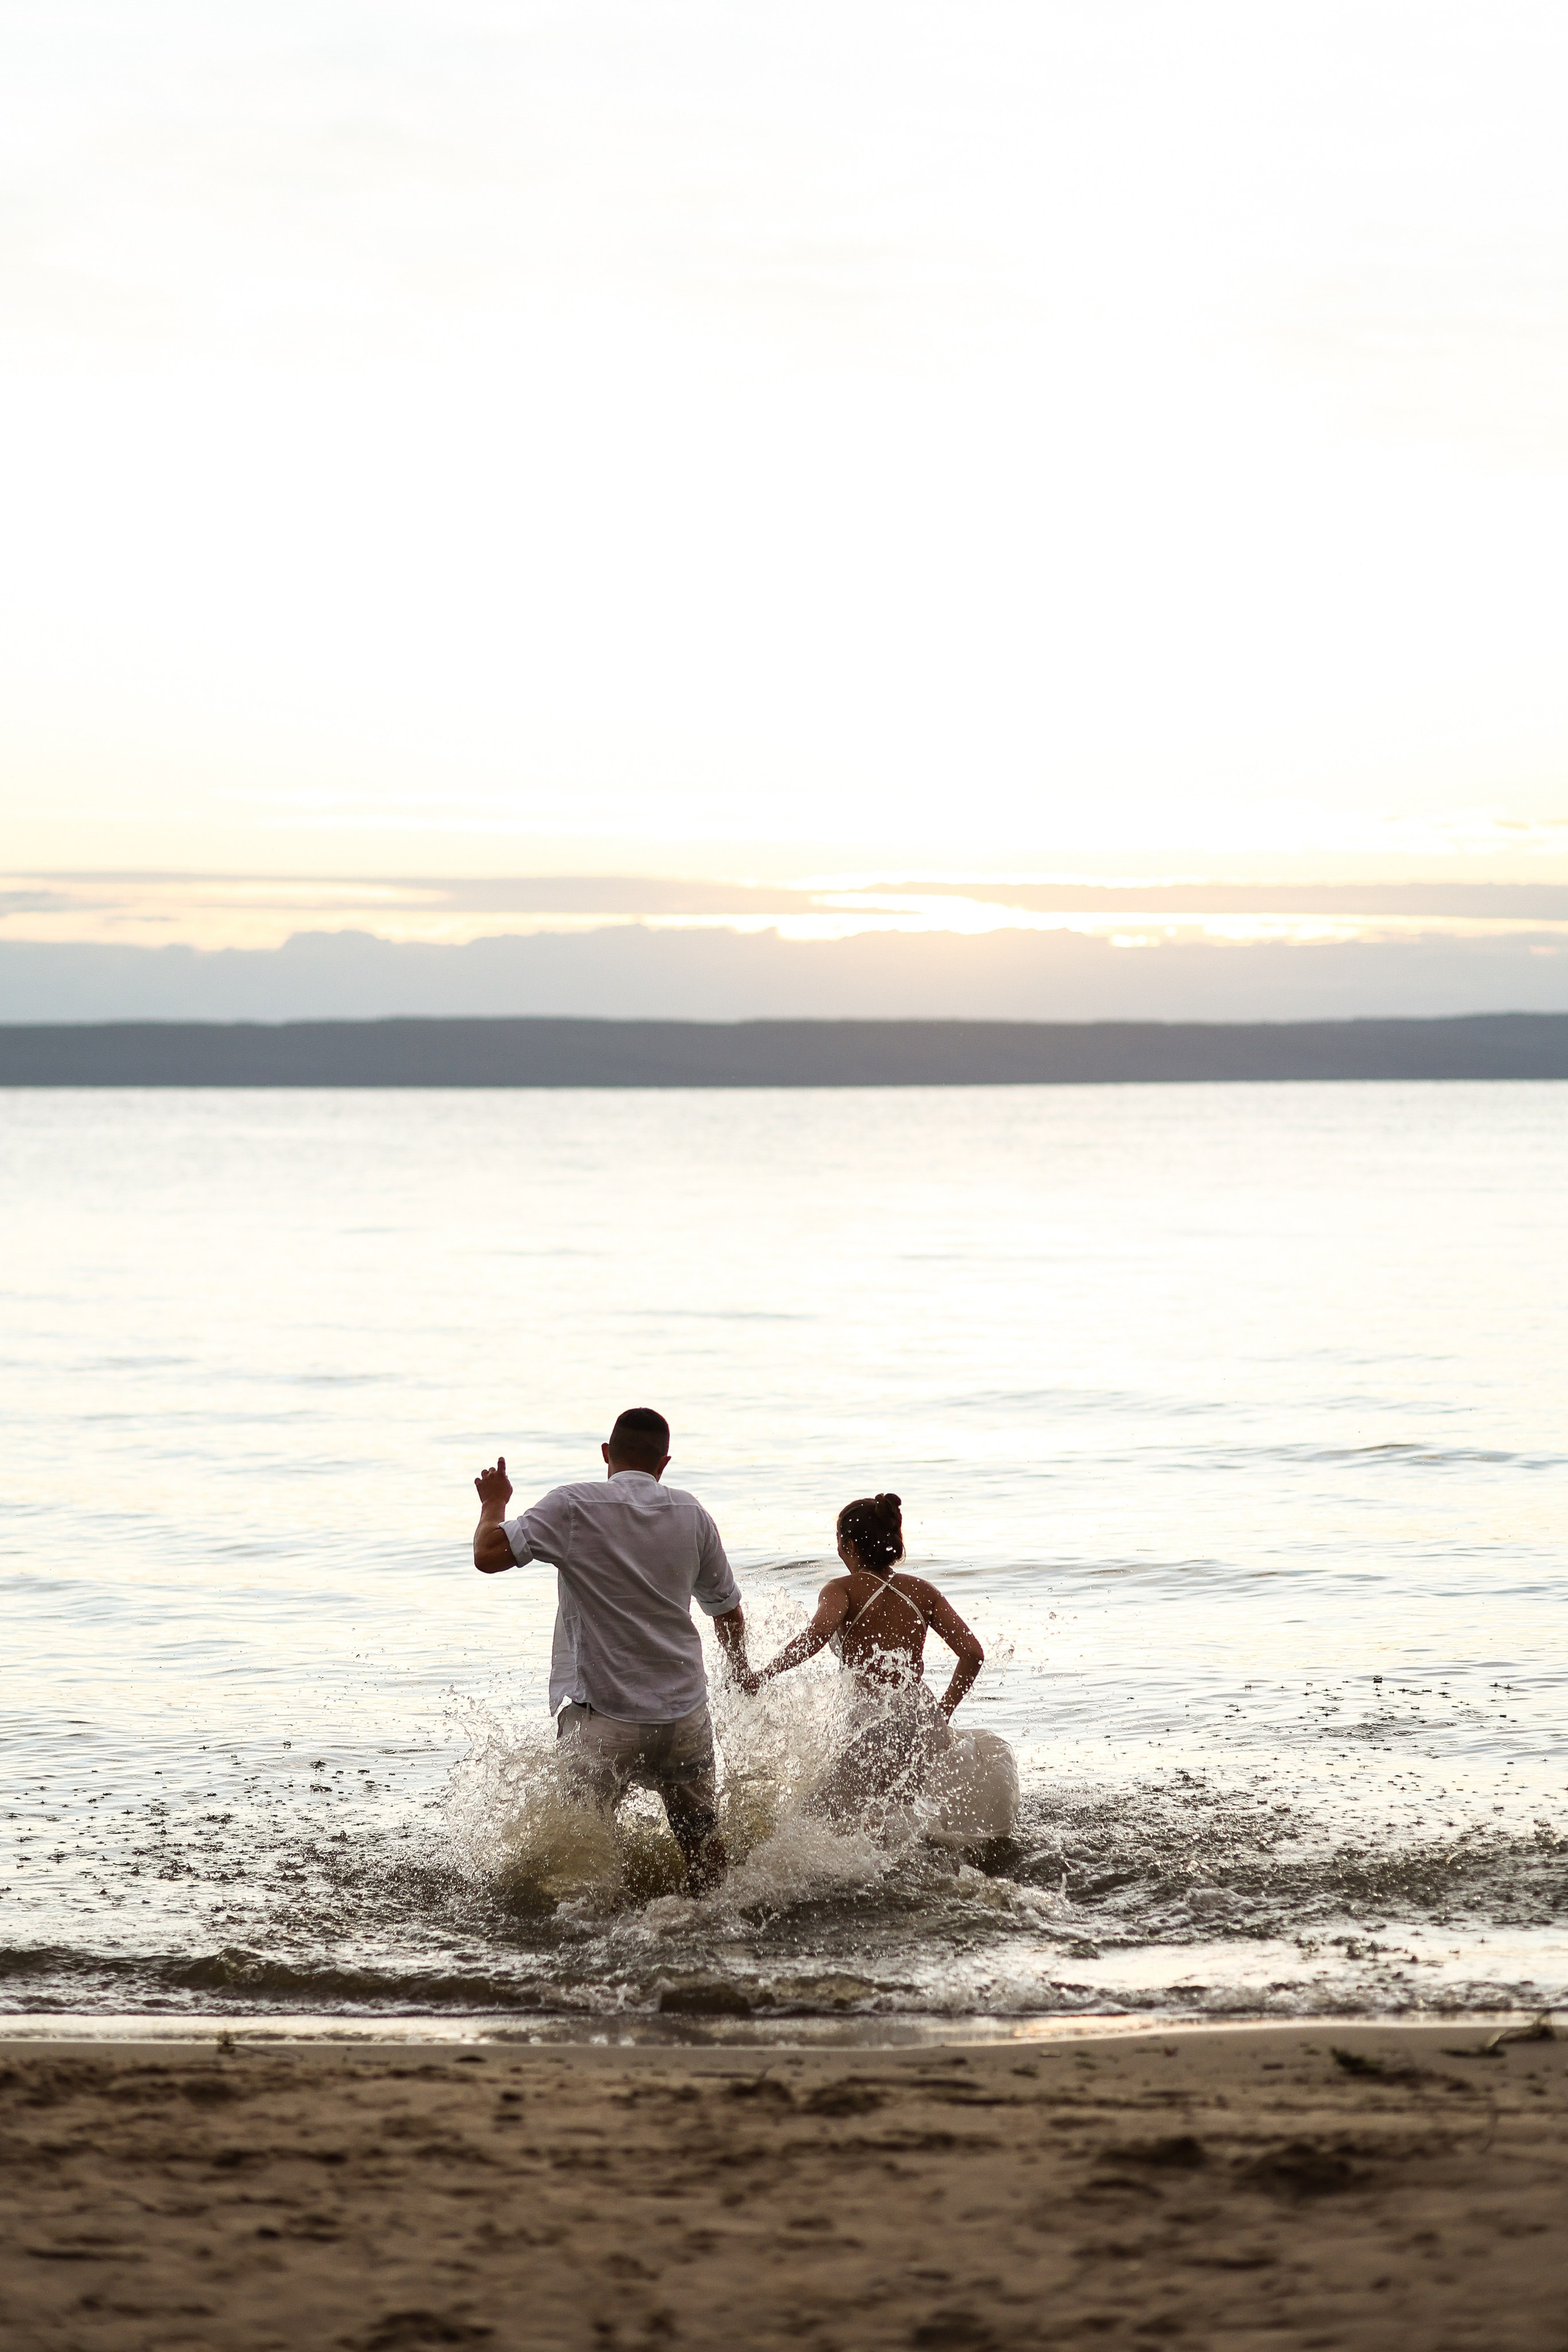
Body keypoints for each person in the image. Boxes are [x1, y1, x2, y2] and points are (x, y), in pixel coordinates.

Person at [472, 1408, 750, 1892]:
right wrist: (742, 1671)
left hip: (603, 1718)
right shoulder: (692, 1514)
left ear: (606, 1453)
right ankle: (717, 1930)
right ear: (664, 1463)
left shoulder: (574, 1506)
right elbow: (727, 1613)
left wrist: (494, 1504)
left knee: (584, 1852)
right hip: (684, 1716)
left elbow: (488, 1555)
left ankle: (594, 1942)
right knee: (705, 1849)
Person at [743, 1493, 984, 1820]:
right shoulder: (923, 1590)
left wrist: (765, 1673)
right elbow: (972, 1654)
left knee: (823, 1819)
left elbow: (816, 1636)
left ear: (850, 1547)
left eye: (839, 1541)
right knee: (908, 1815)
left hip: (871, 1721)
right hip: (921, 1715)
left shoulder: (841, 1589)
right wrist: (941, 1713)